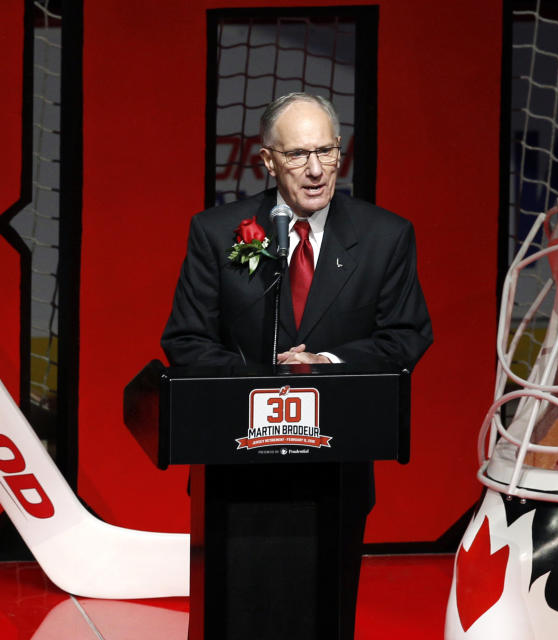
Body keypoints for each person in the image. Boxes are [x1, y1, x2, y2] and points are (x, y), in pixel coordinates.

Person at [161, 92, 432, 639]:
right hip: (236, 474)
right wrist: (263, 383)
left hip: (335, 473)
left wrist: (325, 364)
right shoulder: (220, 234)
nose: (315, 170)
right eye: (298, 155)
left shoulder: (385, 237)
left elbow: (406, 336)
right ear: (267, 161)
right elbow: (186, 340)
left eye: (327, 152)